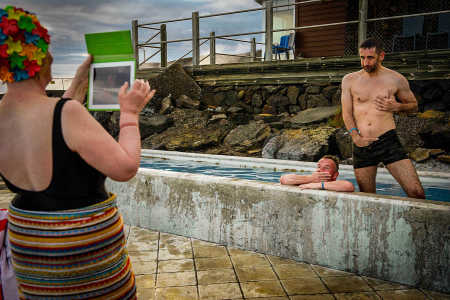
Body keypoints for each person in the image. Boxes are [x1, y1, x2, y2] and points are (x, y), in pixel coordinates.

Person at [0, 5, 155, 299]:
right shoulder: (66, 113)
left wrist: (75, 86)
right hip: (81, 257)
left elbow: (44, 129)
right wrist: (130, 115)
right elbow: (124, 169)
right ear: (41, 57)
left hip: (31, 254)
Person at [341, 38, 425, 199]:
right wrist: (355, 137)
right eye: (362, 58)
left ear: (381, 56)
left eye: (370, 58)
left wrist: (397, 107)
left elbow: (414, 105)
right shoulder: (349, 80)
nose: (365, 62)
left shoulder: (396, 79)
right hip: (362, 142)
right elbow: (347, 113)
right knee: (367, 198)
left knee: (416, 193)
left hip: (387, 140)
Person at [280, 155, 354, 192]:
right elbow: (284, 179)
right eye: (319, 167)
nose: (320, 170)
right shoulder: (309, 180)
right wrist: (310, 178)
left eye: (326, 168)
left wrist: (318, 185)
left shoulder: (337, 184)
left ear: (335, 175)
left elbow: (348, 186)